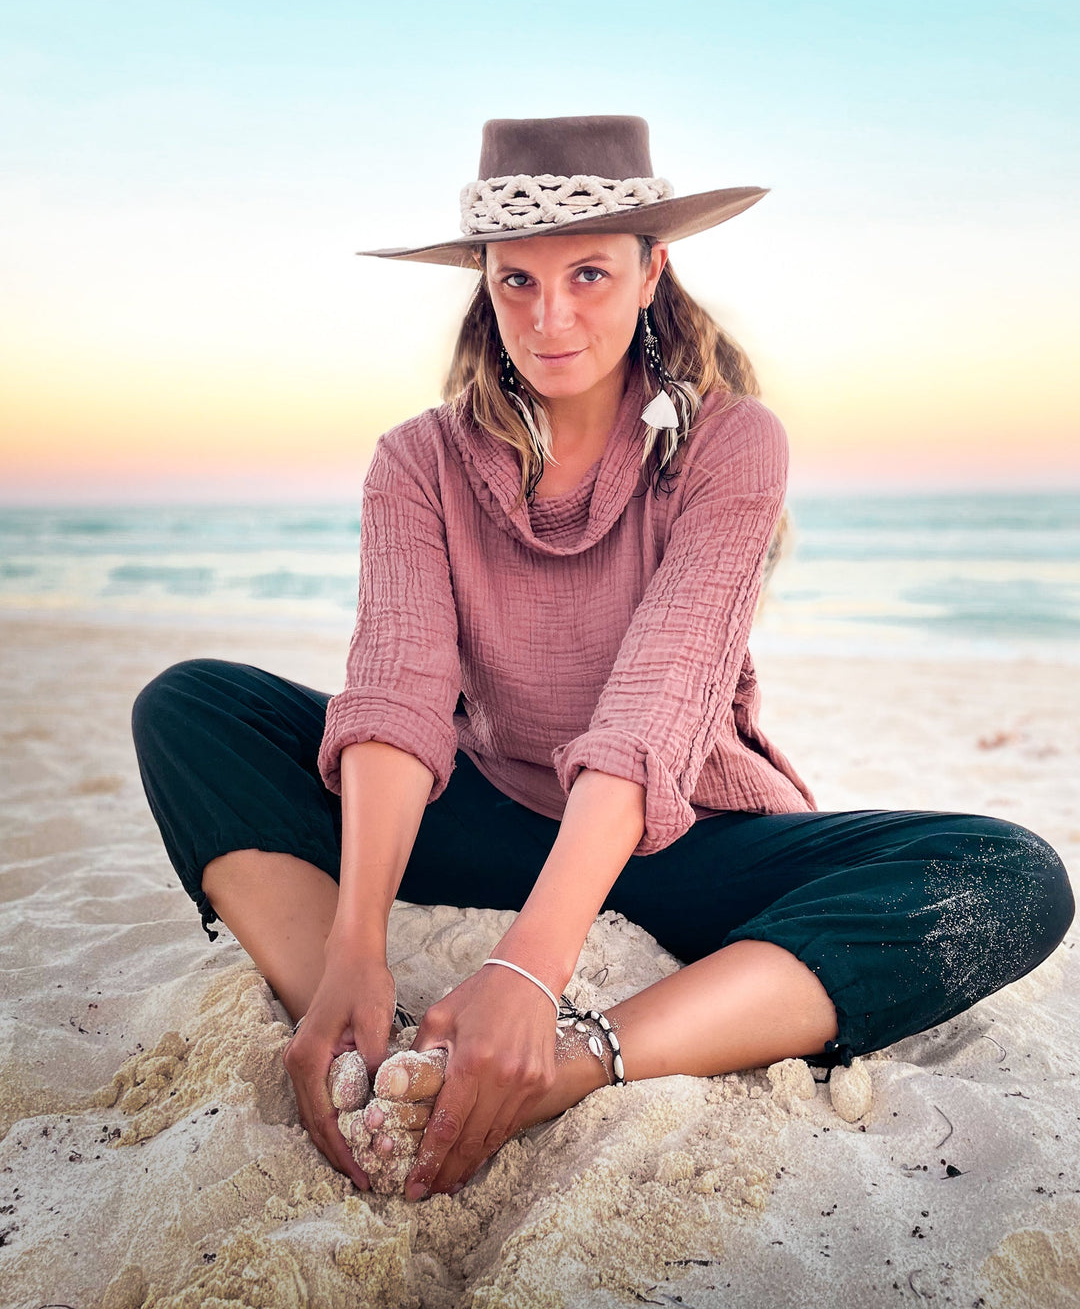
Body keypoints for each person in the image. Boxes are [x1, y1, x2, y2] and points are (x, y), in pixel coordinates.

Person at [131, 115, 1074, 1205]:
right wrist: (354, 949)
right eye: (516, 280)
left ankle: (568, 1066)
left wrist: (528, 977)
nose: (552, 314)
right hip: (486, 817)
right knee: (193, 710)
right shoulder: (417, 460)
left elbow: (654, 709)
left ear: (651, 270)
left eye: (587, 273)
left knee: (1011, 875)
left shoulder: (730, 442)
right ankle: (361, 1037)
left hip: (684, 841)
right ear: (483, 284)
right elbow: (397, 697)